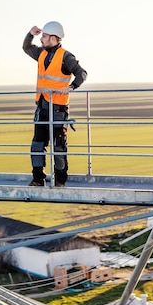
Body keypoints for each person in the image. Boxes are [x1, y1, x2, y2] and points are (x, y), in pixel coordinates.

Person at [22, 21, 87, 187]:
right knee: (37, 144)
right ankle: (38, 179)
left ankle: (60, 180)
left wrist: (71, 87)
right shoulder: (41, 53)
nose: (41, 39)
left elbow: (82, 73)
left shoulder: (66, 57)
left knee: (58, 146)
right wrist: (31, 34)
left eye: (44, 36)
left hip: (58, 108)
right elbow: (26, 47)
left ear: (53, 38)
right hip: (42, 106)